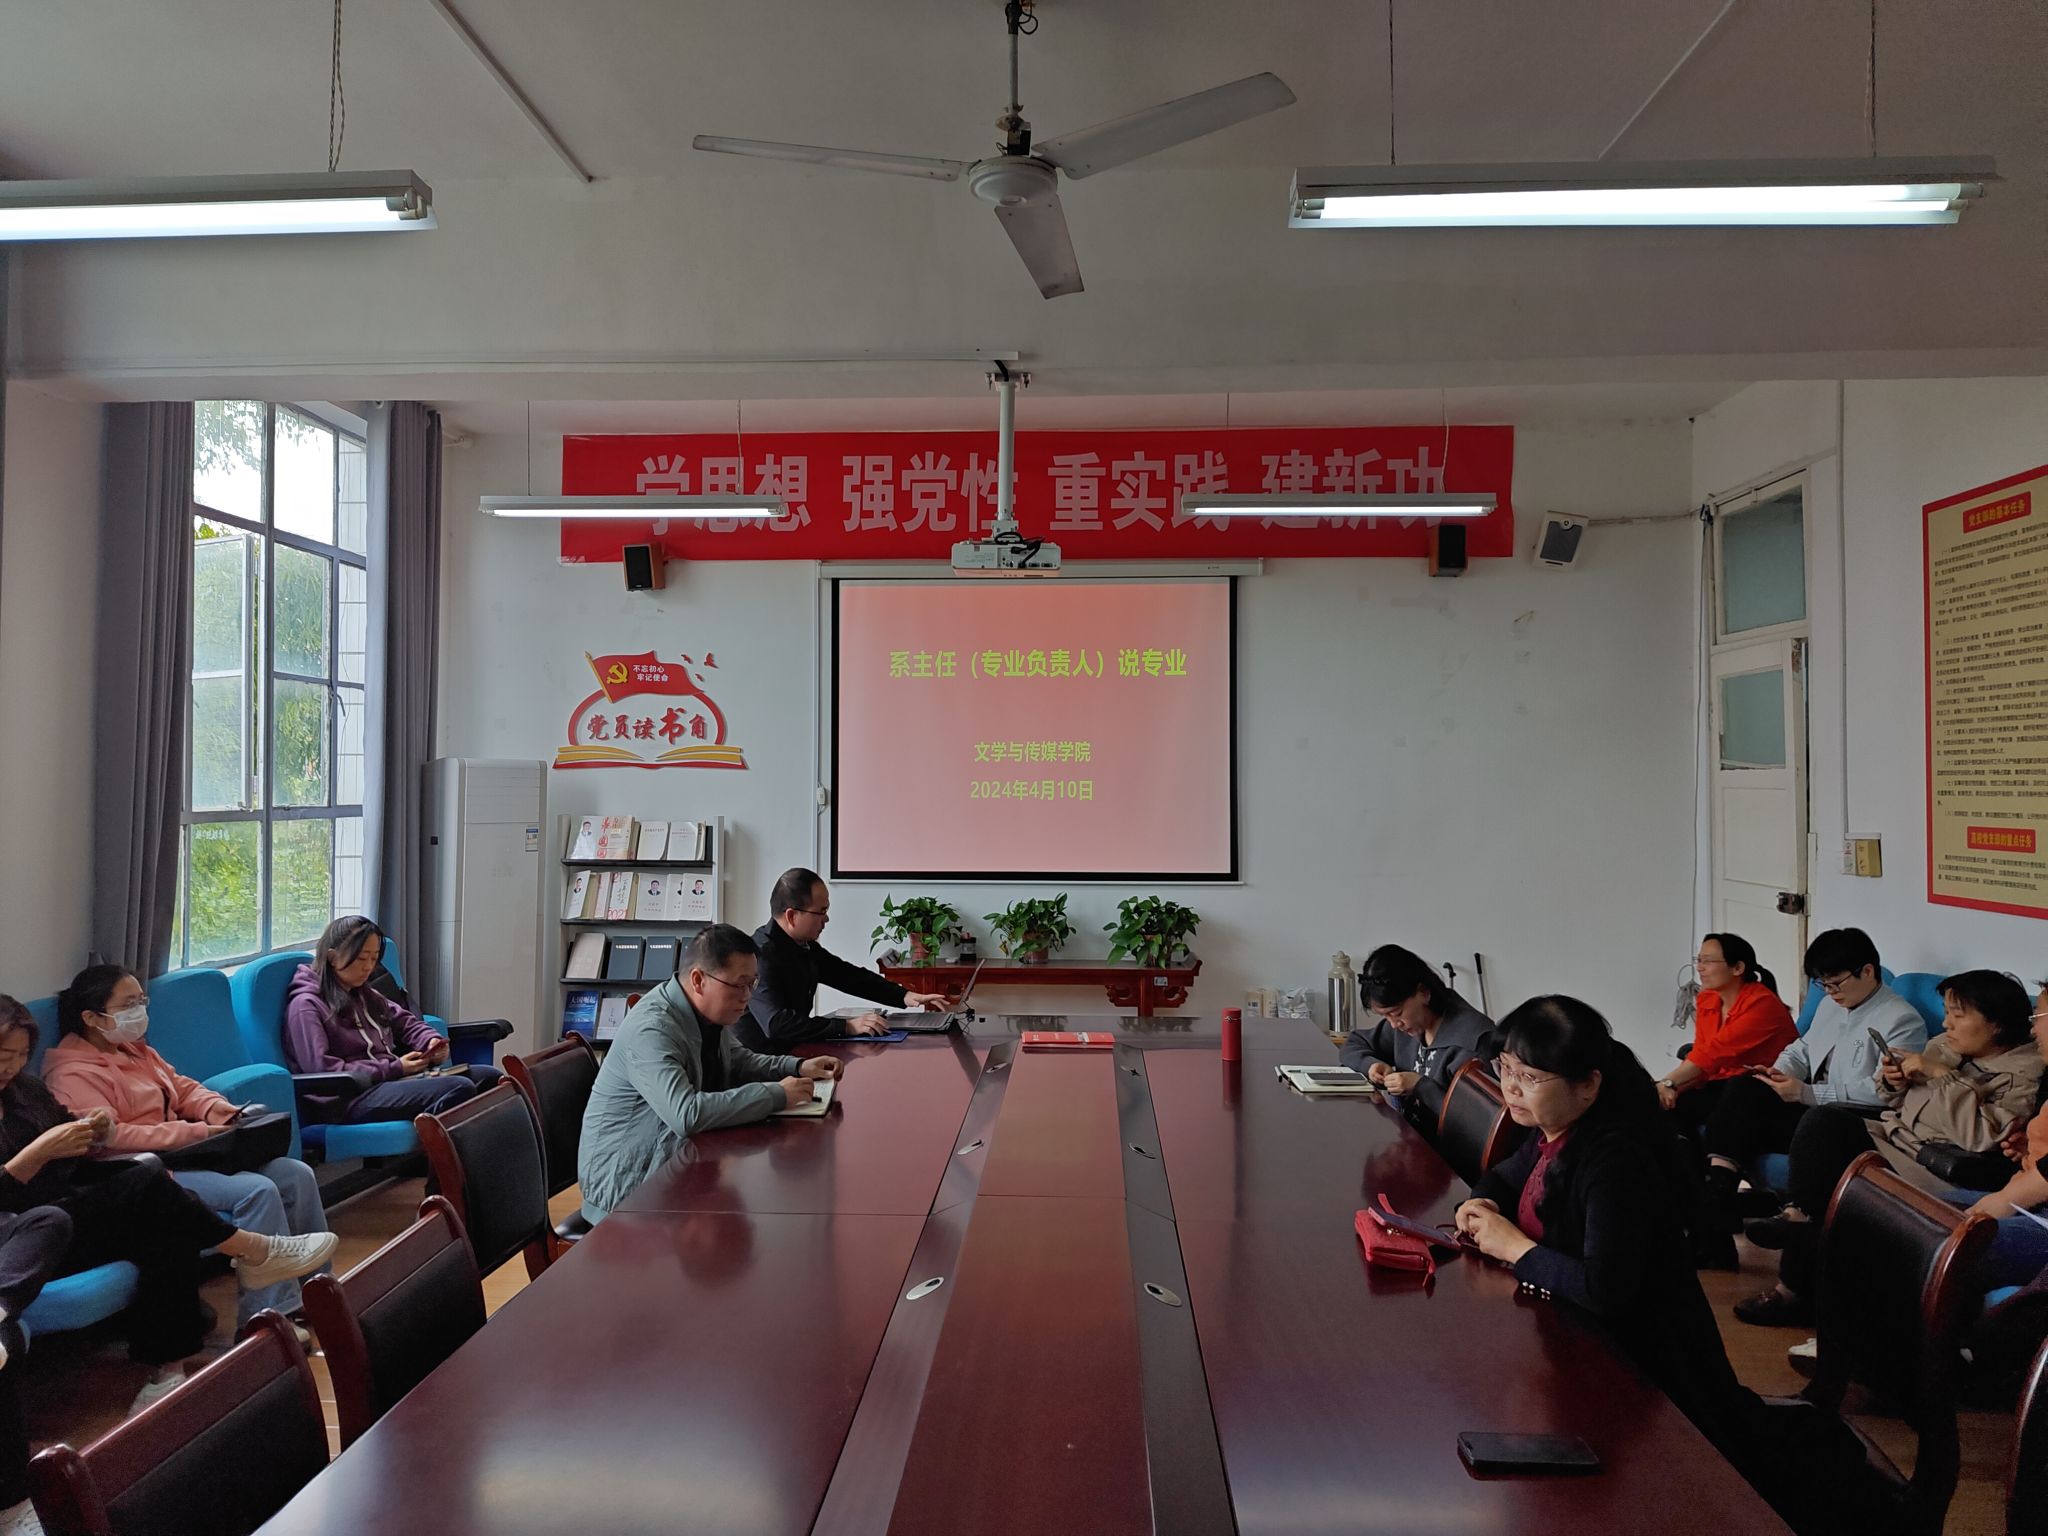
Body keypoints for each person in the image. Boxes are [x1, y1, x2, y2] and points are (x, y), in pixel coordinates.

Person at [1453, 995, 1762, 1460]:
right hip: (1574, 1336)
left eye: (1529, 1077)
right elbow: (1505, 1176)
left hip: (1647, 1378)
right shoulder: (1554, 1129)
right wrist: (1483, 1200)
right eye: (1506, 1069)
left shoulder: (1616, 1161)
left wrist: (1515, 1249)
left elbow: (1606, 1291)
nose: (1510, 1088)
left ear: (1587, 1085)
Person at [0, 994, 335, 1399]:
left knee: (165, 1222)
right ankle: (254, 1251)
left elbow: (71, 1133)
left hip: (68, 1210)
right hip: (25, 1239)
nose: (12, 1066)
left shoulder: (26, 1091)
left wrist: (91, 1128)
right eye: (4, 1055)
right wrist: (34, 1156)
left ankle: (167, 1375)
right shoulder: (69, 1070)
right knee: (149, 1184)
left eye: (21, 1055)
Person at [1736, 969, 2043, 1326]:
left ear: (1997, 1026)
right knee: (1823, 1127)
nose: (1946, 1023)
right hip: (1894, 1137)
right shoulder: (1946, 1046)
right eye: (1946, 1012)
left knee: (1833, 1169)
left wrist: (1941, 1076)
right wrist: (1895, 1081)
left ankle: (1796, 1284)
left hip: (1936, 1163)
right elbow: (1899, 1103)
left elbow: (1977, 1137)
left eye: (1958, 1016)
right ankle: (1799, 1223)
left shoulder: (2024, 1073)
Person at [44, 964, 332, 1331]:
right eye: (128, 1004)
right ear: (91, 1017)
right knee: (256, 1190)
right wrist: (196, 1132)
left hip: (192, 1153)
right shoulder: (70, 1073)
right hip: (146, 1172)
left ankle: (319, 1292)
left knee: (295, 1174)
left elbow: (183, 1087)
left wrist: (217, 1109)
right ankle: (269, 1317)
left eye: (141, 1001)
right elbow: (112, 1138)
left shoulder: (135, 1051)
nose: (139, 1011)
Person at [579, 924, 842, 1222]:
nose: (747, 996)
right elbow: (686, 1114)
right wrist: (778, 1095)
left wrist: (797, 1066)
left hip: (675, 1165)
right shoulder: (652, 1029)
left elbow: (739, 1061)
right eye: (739, 985)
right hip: (627, 1191)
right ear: (698, 980)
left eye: (753, 984)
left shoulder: (702, 1013)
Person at [1690, 929, 1927, 1255]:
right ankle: (1720, 1190)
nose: (1830, 992)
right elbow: (1801, 1050)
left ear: (1868, 971)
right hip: (1811, 1106)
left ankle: (1780, 1213)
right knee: (1746, 1086)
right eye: (1822, 985)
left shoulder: (1901, 1020)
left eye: (1836, 983)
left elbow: (1882, 1095)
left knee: (1815, 1120)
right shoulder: (1832, 1005)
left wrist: (1806, 1093)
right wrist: (1778, 1072)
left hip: (1854, 1122)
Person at [285, 916, 503, 1124]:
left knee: (489, 1078)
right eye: (361, 958)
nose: (368, 967)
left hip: (387, 1081)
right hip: (347, 1099)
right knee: (458, 1088)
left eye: (374, 958)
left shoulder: (364, 994)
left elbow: (406, 1023)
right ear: (332, 958)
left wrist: (430, 1041)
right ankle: (438, 1148)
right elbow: (323, 1070)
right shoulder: (306, 1006)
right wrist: (396, 1068)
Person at [734, 868, 949, 1050]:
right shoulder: (761, 955)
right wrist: (846, 1026)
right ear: (792, 916)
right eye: (821, 912)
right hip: (761, 1063)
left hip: (795, 1052)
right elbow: (777, 1024)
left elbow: (848, 976)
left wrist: (905, 996)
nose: (826, 919)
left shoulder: (804, 945)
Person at [1337, 944, 1494, 1131]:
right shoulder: (1408, 1025)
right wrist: (1371, 1065)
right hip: (1408, 1136)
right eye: (1385, 1017)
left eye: (1397, 1013)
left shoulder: (1472, 1043)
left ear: (1423, 993)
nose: (1393, 1024)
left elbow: (1480, 1125)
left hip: (1444, 1148)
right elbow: (1353, 1044)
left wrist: (1421, 1087)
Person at [1656, 933, 1797, 1127]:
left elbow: (1713, 1053)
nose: (1700, 967)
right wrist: (1671, 1087)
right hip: (1720, 1083)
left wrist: (1669, 1082)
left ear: (1738, 968)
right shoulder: (1708, 999)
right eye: (1699, 960)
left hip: (1758, 1089)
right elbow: (1702, 1055)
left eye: (1708, 961)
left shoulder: (1762, 1003)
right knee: (1659, 1106)